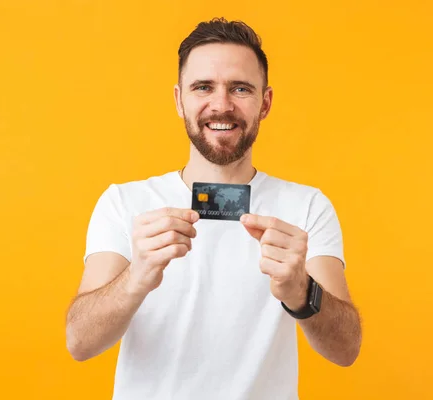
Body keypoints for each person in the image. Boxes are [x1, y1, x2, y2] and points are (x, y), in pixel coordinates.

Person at [66, 17, 362, 400]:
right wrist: (135, 278)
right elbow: (79, 342)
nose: (221, 105)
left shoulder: (306, 206)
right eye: (203, 87)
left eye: (240, 89)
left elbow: (346, 350)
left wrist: (301, 290)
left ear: (265, 102)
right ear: (179, 100)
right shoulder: (124, 202)